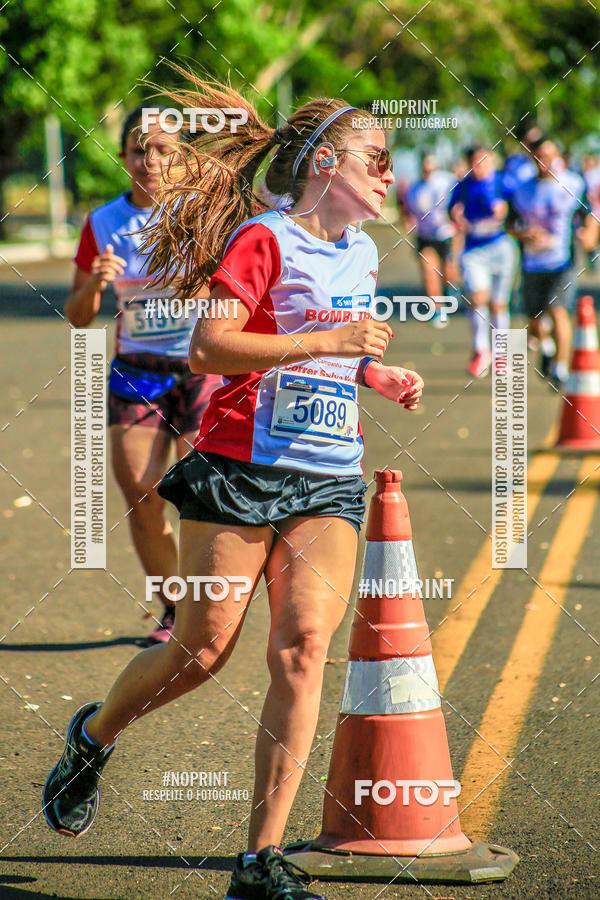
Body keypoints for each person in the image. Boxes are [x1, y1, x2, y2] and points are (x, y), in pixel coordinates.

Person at [43, 80, 424, 900]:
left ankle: (259, 860)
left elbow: (328, 351)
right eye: (377, 160)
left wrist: (372, 371)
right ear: (327, 163)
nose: (390, 176)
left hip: (328, 475)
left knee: (302, 648)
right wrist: (335, 337)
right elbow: (211, 348)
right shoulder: (261, 239)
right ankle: (93, 736)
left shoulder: (362, 251)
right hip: (239, 470)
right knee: (203, 648)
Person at [65, 107, 221, 644]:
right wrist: (96, 285)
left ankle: (210, 603)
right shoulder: (104, 223)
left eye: (163, 149)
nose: (150, 160)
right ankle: (174, 607)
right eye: (138, 149)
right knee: (141, 495)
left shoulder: (207, 215)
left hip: (202, 369)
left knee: (204, 494)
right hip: (137, 374)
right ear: (124, 154)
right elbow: (78, 315)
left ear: (183, 157)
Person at [509, 138, 598, 388]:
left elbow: (588, 214)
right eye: (539, 157)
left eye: (549, 156)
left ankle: (560, 368)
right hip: (532, 263)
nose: (544, 162)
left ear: (558, 157)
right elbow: (510, 224)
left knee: (559, 311)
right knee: (534, 320)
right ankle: (546, 344)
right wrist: (524, 235)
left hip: (563, 261)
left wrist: (590, 234)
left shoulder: (572, 184)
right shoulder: (522, 191)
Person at [449, 145, 518, 377]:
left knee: (499, 304)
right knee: (478, 298)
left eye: (484, 161)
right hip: (474, 247)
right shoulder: (464, 185)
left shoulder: (503, 182)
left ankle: (501, 355)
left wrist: (508, 212)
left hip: (501, 244)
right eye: (475, 162)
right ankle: (481, 350)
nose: (480, 166)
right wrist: (457, 217)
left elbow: (520, 206)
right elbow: (452, 208)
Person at [402, 152, 458, 327]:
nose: (428, 171)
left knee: (448, 273)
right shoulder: (414, 188)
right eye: (425, 168)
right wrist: (408, 219)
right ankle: (437, 310)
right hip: (425, 237)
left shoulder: (447, 181)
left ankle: (450, 290)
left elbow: (460, 200)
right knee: (429, 271)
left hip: (446, 234)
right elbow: (406, 208)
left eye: (430, 168)